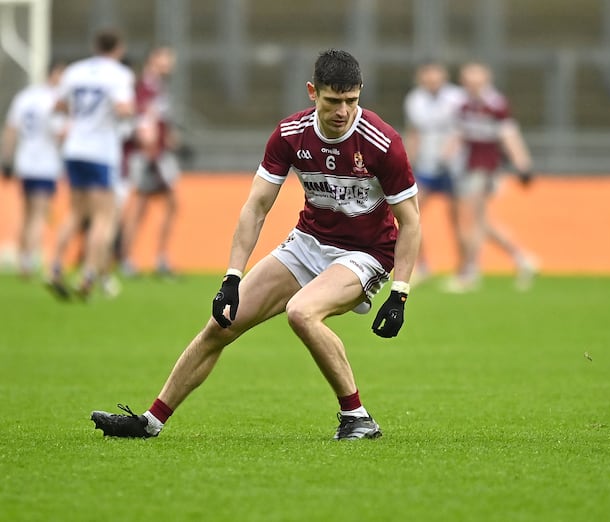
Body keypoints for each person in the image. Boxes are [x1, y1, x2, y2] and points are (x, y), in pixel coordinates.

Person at [90, 49, 421, 441]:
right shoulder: (290, 134)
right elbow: (256, 207)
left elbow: (411, 221)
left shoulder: (383, 142)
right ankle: (150, 421)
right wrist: (232, 276)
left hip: (366, 254)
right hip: (308, 243)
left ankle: (358, 417)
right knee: (220, 325)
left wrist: (399, 294)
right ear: (312, 92)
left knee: (301, 313)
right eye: (333, 101)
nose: (343, 111)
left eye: (351, 101)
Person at [46, 29, 135, 299]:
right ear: (119, 49)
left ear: (95, 46)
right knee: (103, 217)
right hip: (101, 151)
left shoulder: (75, 71)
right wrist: (132, 115)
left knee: (75, 213)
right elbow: (122, 108)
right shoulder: (120, 75)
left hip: (75, 149)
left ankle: (55, 268)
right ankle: (88, 276)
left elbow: (59, 106)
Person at [445, 61, 537, 292]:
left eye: (476, 82)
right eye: (468, 82)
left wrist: (522, 164)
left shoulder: (496, 105)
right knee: (481, 222)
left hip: (487, 169)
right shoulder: (463, 105)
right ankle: (522, 258)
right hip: (469, 168)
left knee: (475, 221)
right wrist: (444, 157)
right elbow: (458, 135)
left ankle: (470, 272)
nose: (472, 86)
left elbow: (510, 136)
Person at [1, 61, 67, 278]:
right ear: (54, 74)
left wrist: (6, 159)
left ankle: (23, 260)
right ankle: (30, 260)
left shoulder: (25, 96)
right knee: (39, 214)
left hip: (24, 162)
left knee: (27, 213)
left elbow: (11, 129)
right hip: (44, 163)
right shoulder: (55, 101)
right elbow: (58, 133)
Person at [120, 46, 181, 278]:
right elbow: (143, 122)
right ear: (153, 59)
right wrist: (152, 147)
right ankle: (139, 259)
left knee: (148, 206)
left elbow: (158, 121)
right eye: (165, 58)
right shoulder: (145, 87)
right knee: (143, 207)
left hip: (158, 153)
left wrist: (170, 138)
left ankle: (144, 259)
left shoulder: (157, 88)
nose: (169, 63)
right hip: (150, 156)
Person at [403, 61, 466, 282]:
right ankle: (422, 265)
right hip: (427, 166)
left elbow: (461, 131)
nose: (431, 80)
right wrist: (408, 163)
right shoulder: (415, 99)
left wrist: (448, 155)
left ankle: (463, 270)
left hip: (453, 167)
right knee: (412, 215)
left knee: (457, 219)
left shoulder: (457, 98)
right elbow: (414, 133)